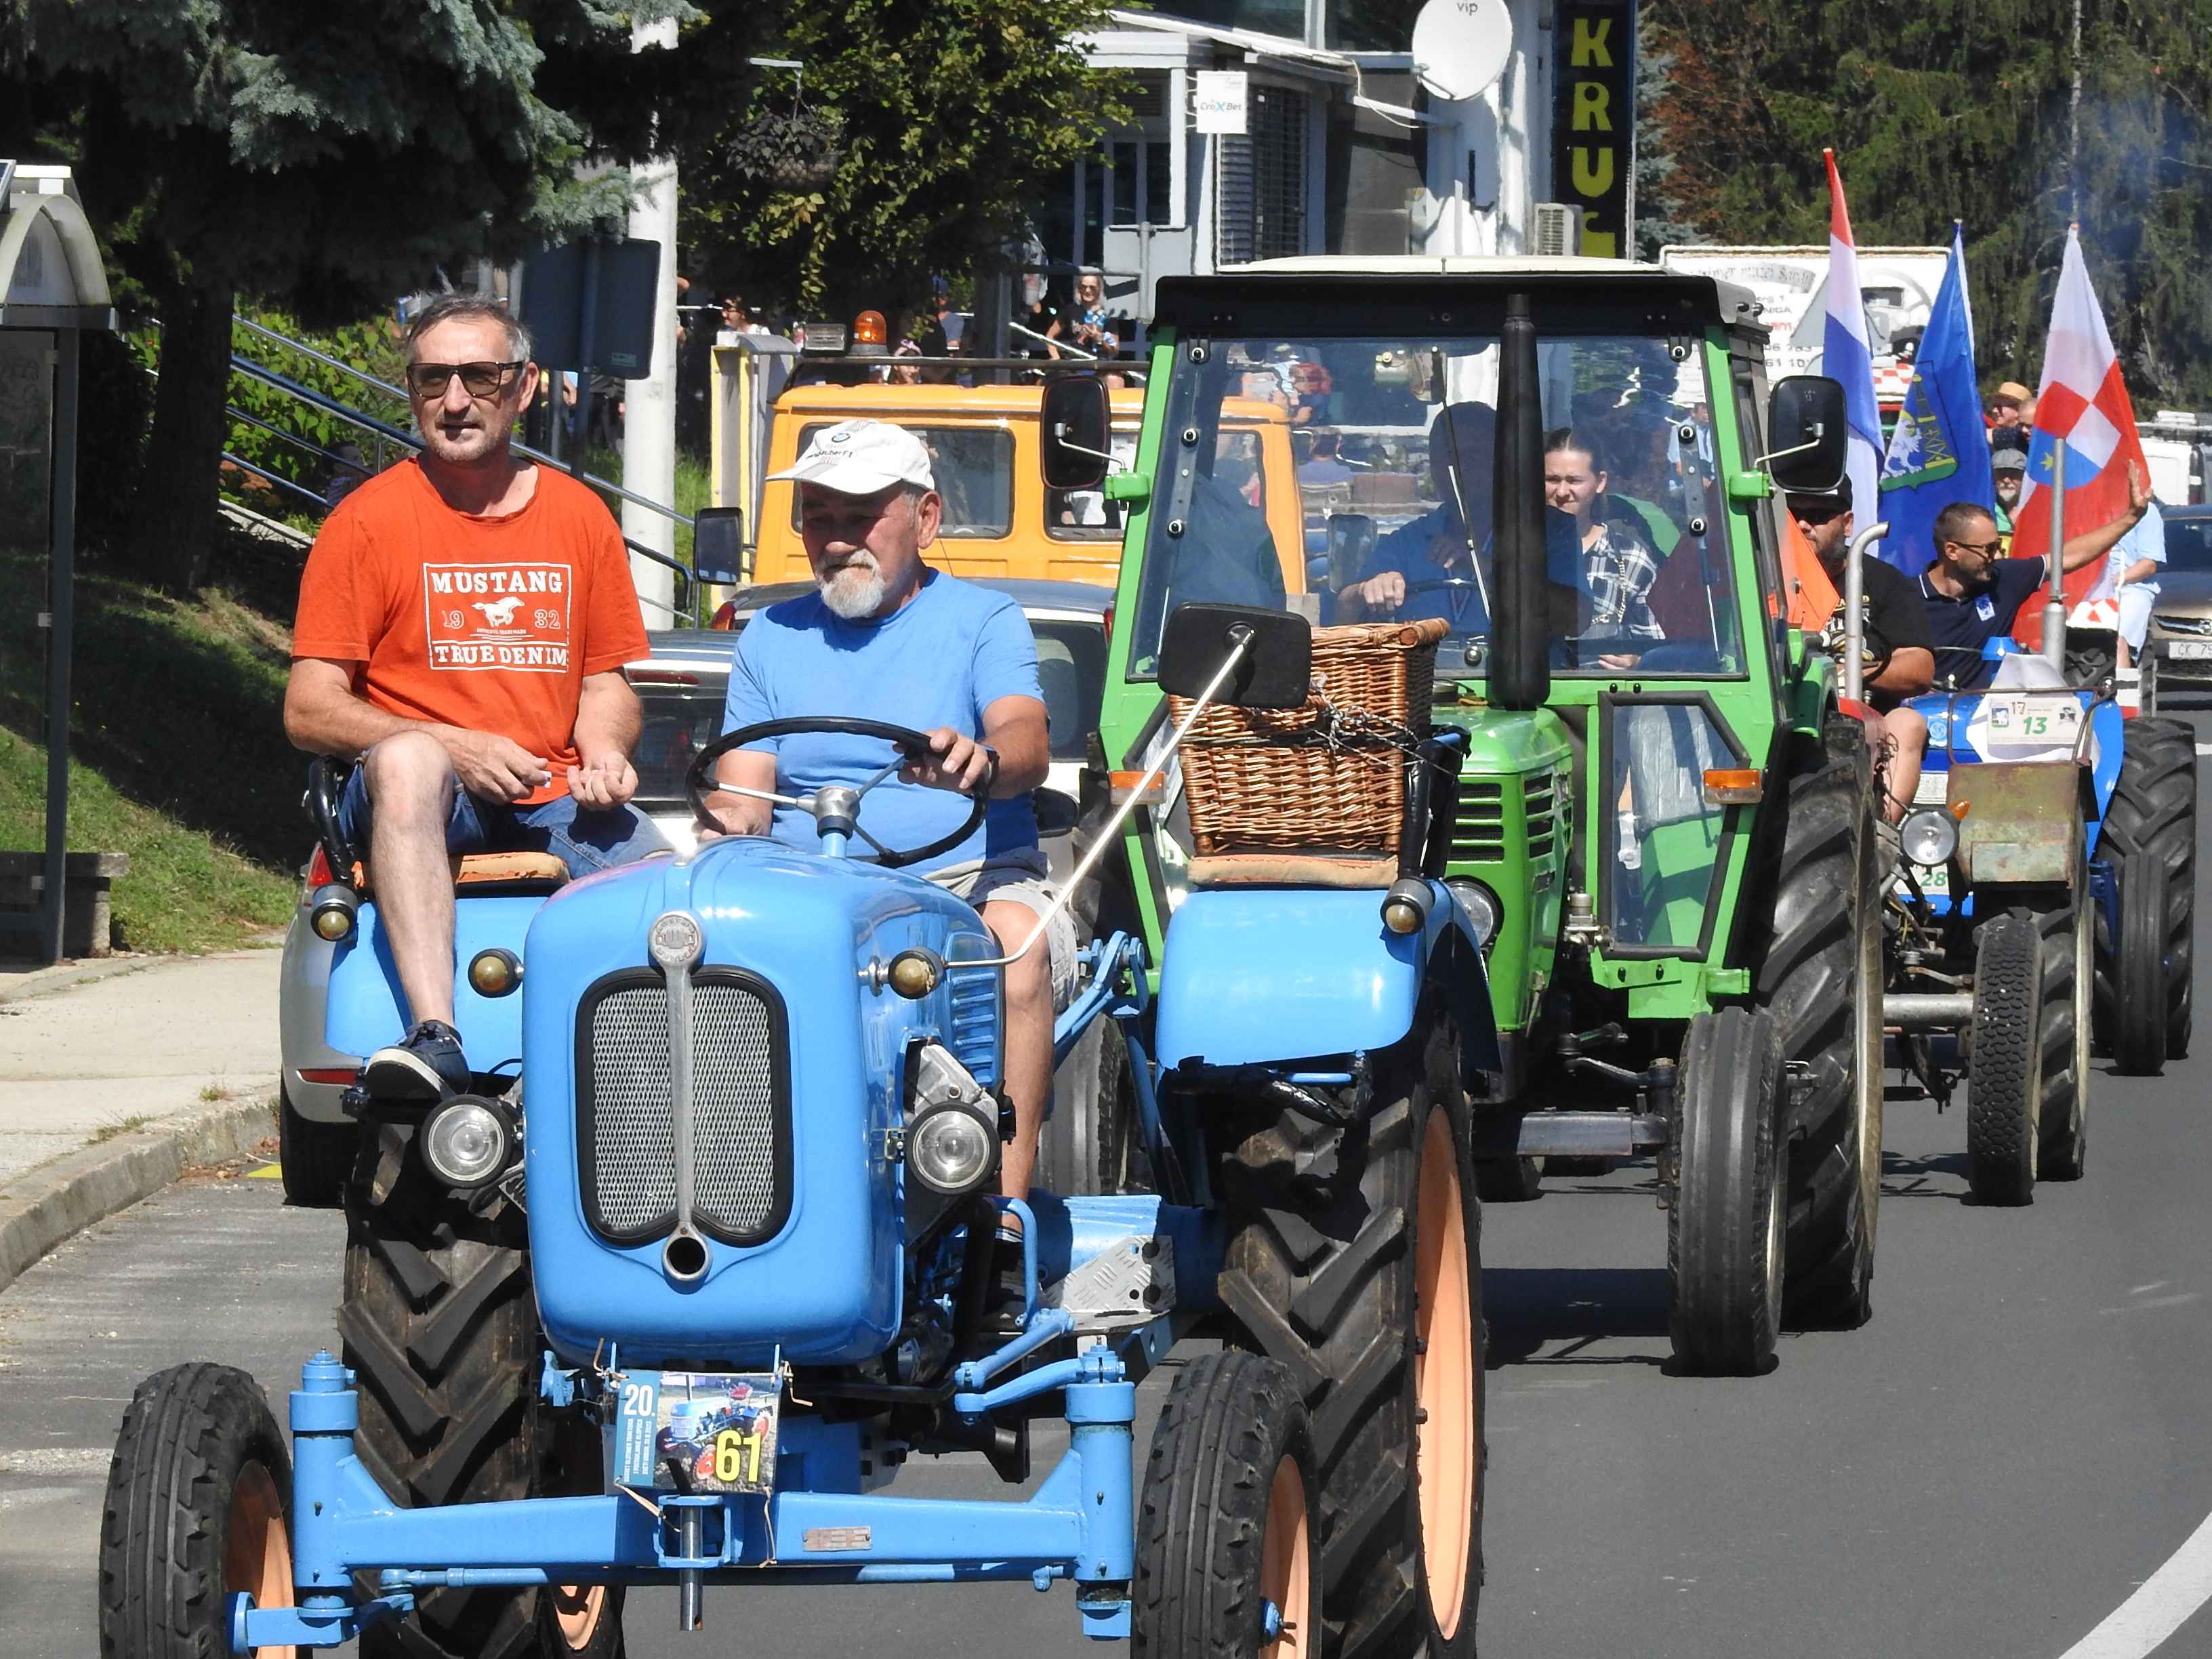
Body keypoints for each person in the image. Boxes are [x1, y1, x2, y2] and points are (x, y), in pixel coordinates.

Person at [285, 292, 665, 1099]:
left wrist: (604, 752)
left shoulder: (580, 515)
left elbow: (606, 680)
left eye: (479, 377)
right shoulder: (366, 521)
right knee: (414, 760)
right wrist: (453, 743)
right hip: (414, 799)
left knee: (674, 884)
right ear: (413, 389)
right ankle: (436, 1037)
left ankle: (645, 1085)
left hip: (551, 791)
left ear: (523, 387)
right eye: (433, 380)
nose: (454, 401)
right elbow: (309, 707)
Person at [698, 420, 1069, 1225]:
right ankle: (731, 1207)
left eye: (861, 516)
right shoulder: (770, 635)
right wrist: (720, 820)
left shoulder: (984, 619)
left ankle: (1001, 1221)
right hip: (812, 896)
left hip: (963, 882)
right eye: (819, 517)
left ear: (925, 519)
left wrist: (984, 761)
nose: (837, 540)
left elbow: (1027, 739)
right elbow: (747, 799)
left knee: (1015, 952)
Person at [1915, 464, 2148, 690]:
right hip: (1926, 714)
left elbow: (2066, 557)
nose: (1996, 555)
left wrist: (2131, 517)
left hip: (1992, 715)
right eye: (1987, 548)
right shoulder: (1906, 598)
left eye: (1997, 545)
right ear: (1952, 551)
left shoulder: (2002, 578)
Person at [1787, 481, 1933, 820]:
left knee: (1908, 722)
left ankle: (1879, 837)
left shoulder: (1885, 582)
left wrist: (1847, 673)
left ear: (1848, 523)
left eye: (1819, 515)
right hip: (1784, 718)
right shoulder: (1760, 579)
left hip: (1867, 728)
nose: (1805, 525)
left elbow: (1920, 667)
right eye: (1795, 516)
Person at [1336, 401, 1498, 630]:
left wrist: (1493, 570)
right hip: (1424, 666)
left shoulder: (1543, 531)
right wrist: (1367, 590)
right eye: (1450, 458)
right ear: (1433, 465)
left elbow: (1566, 612)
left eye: (1473, 456)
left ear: (1500, 460)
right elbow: (1345, 613)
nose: (1461, 469)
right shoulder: (1410, 540)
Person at [1544, 426, 1664, 657]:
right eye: (1552, 479)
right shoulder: (1514, 551)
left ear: (1600, 482)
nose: (1561, 492)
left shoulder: (1632, 561)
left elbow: (1656, 652)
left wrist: (1636, 664)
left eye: (1574, 481)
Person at [1046, 270, 1120, 362]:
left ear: (1099, 289)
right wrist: (1055, 356)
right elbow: (1050, 336)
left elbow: (1115, 350)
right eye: (1083, 287)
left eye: (1092, 287)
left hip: (1098, 364)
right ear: (1079, 288)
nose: (1087, 291)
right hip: (1072, 363)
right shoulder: (1070, 310)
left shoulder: (1107, 315)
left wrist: (1099, 338)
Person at [1990, 444, 2028, 554]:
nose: (2006, 480)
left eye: (2013, 474)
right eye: (2001, 474)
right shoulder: (1985, 509)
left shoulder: (2035, 509)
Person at [1986, 381, 2031, 445]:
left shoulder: (2023, 436)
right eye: (1994, 406)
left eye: (2000, 407)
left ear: (2019, 410)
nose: (1994, 410)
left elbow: (1981, 434)